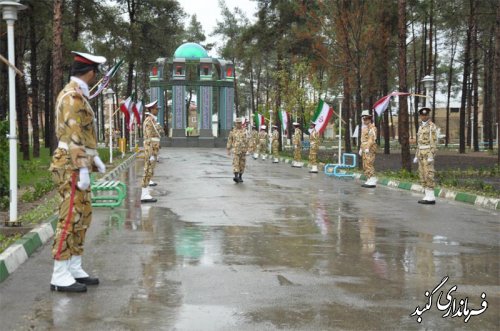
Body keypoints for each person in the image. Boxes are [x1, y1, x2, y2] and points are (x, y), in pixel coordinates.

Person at [48, 51, 107, 293]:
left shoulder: (79, 95)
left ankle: (73, 266)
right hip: (70, 165)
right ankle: (59, 273)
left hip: (78, 162)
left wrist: (94, 158)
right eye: (96, 73)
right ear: (90, 72)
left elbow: (83, 134)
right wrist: (83, 167)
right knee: (69, 217)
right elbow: (73, 136)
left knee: (82, 216)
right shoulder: (73, 97)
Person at [414, 107, 437, 204]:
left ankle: (431, 196)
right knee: (422, 173)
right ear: (420, 116)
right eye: (422, 115)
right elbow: (418, 143)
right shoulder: (420, 127)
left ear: (428, 115)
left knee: (429, 173)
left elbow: (434, 141)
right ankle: (427, 195)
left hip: (428, 152)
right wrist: (416, 155)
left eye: (426, 115)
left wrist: (432, 154)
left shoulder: (432, 126)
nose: (424, 116)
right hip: (421, 153)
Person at [141, 100, 161, 202]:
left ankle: (146, 193)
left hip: (153, 148)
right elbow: (149, 138)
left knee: (150, 170)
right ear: (152, 109)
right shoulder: (150, 120)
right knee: (147, 170)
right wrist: (152, 153)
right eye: (156, 109)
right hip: (151, 149)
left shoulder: (152, 120)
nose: (157, 110)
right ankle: (144, 194)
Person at [359, 110, 378, 187]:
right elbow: (363, 139)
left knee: (369, 163)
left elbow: (371, 138)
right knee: (365, 164)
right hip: (364, 148)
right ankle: (369, 178)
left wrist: (367, 147)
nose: (364, 120)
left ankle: (372, 179)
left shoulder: (372, 128)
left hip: (369, 149)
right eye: (363, 119)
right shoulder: (365, 128)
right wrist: (361, 148)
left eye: (365, 119)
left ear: (369, 119)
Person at [227, 117, 248, 183]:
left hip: (243, 150)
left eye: (239, 123)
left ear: (241, 123)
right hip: (236, 150)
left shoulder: (245, 131)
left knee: (242, 163)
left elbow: (248, 140)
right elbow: (230, 140)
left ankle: (240, 176)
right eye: (237, 123)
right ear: (235, 123)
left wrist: (250, 148)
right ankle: (236, 176)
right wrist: (228, 149)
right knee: (236, 163)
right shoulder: (232, 131)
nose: (238, 124)